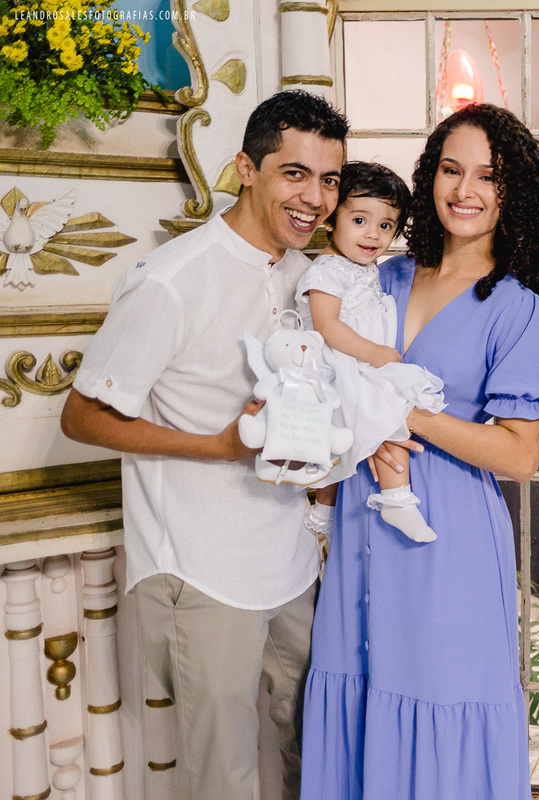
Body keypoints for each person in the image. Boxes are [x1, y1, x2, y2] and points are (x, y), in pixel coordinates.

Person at [59, 90, 348, 800]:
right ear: (246, 169)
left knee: (311, 748)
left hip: (289, 563)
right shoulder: (172, 281)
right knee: (224, 775)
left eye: (330, 179)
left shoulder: (306, 276)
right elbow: (81, 416)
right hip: (202, 568)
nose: (315, 198)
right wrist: (216, 448)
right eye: (295, 173)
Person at [300, 103, 539, 800]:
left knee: (441, 704)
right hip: (362, 527)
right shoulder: (379, 277)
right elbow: (327, 369)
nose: (465, 190)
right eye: (451, 169)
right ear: (429, 178)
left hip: (446, 547)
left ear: (513, 195)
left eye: (488, 176)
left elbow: (518, 455)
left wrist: (402, 410)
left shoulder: (516, 308)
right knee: (359, 695)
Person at [296, 161, 446, 543]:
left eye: (385, 225)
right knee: (390, 413)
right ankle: (396, 500)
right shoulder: (328, 269)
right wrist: (375, 353)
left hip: (358, 360)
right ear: (331, 218)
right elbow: (327, 325)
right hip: (343, 363)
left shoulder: (362, 266)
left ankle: (325, 511)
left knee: (370, 430)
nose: (373, 235)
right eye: (360, 220)